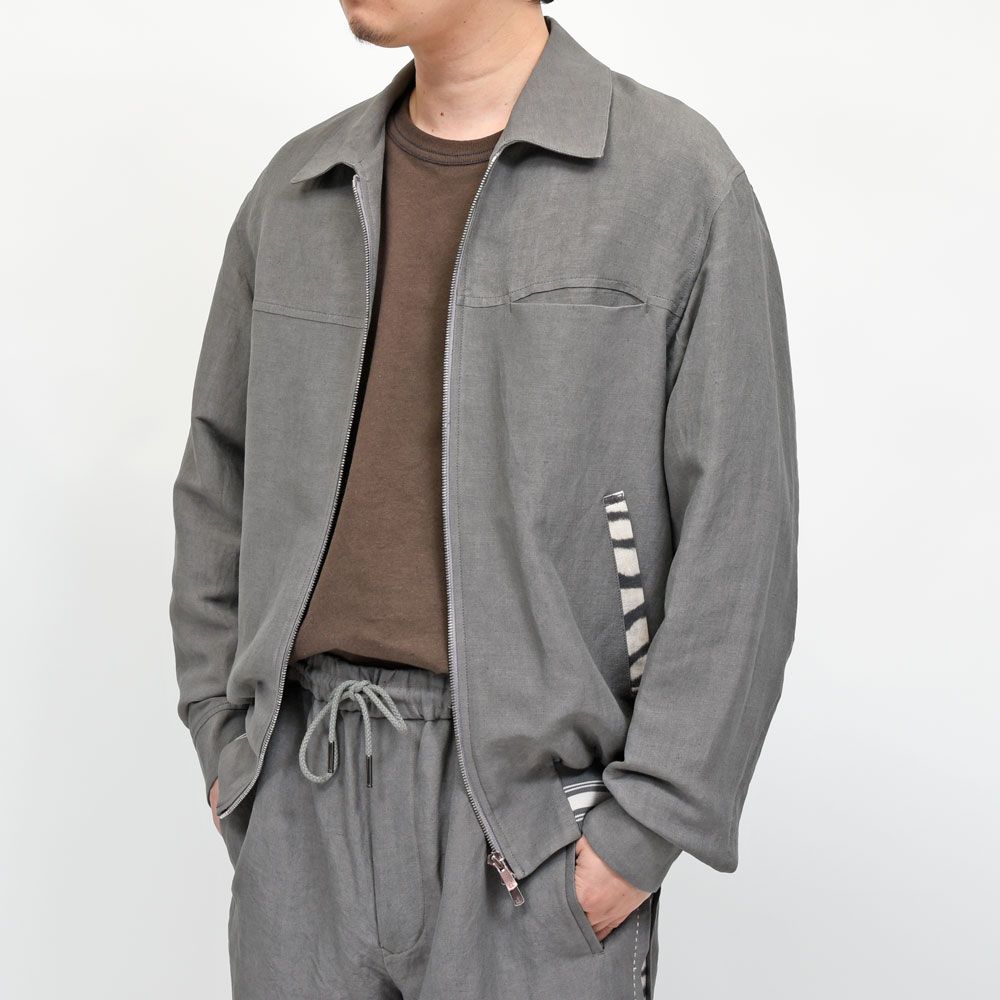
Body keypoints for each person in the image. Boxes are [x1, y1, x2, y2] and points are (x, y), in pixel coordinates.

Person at [169, 2, 799, 997]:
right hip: (305, 790)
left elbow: (742, 538)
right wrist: (228, 744)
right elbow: (219, 474)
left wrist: (643, 830)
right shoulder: (297, 191)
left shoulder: (673, 185)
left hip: (535, 827)